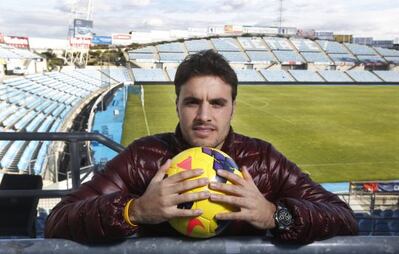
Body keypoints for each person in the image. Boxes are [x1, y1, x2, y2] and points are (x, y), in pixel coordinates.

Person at [45, 49, 357, 244]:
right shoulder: (143, 159)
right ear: (177, 105)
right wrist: (134, 210)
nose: (204, 116)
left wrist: (275, 215)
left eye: (217, 103)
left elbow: (344, 218)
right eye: (193, 102)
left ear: (233, 107)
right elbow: (57, 221)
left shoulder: (262, 161)